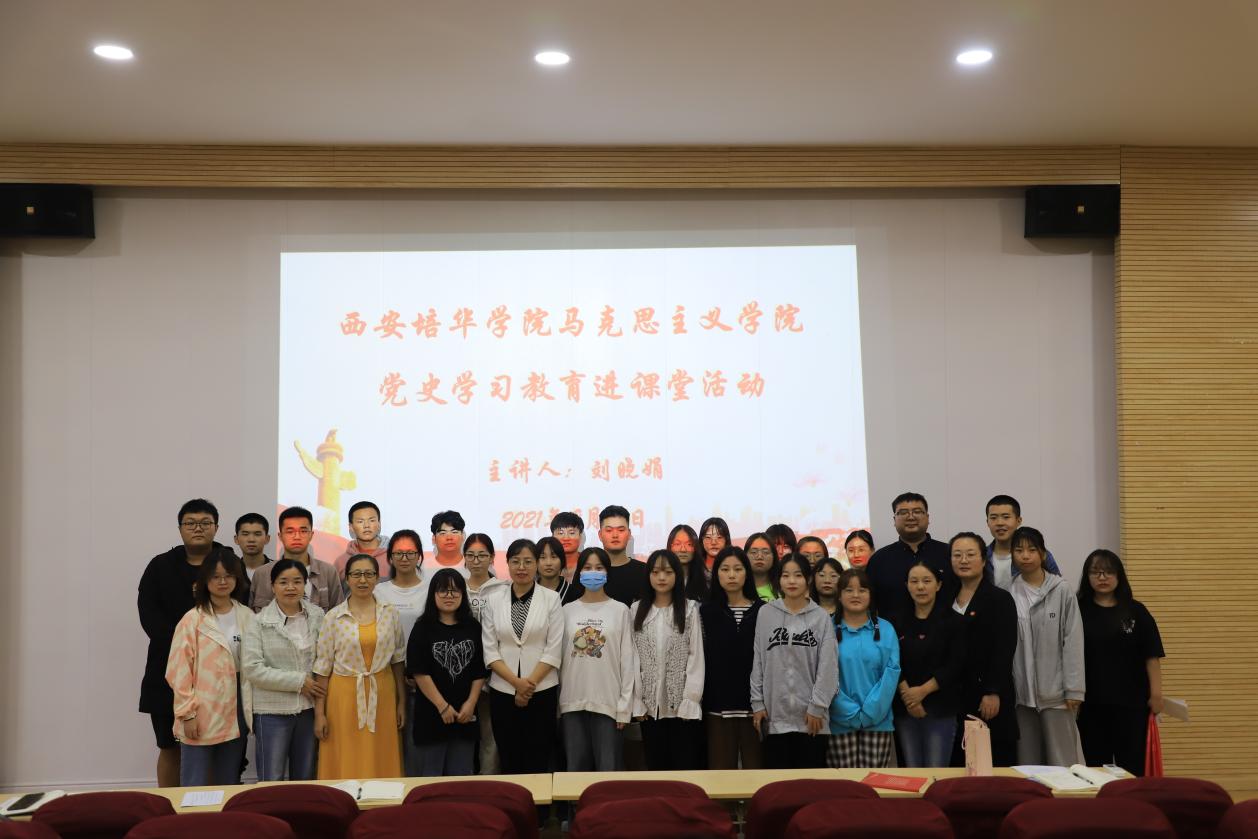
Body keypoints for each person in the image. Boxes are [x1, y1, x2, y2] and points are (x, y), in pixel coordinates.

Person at [138, 498, 230, 787]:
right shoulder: (160, 566)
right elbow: (149, 616)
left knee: (215, 747)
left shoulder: (229, 562)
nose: (198, 528)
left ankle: (210, 808)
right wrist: (186, 647)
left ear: (216, 527)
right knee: (169, 746)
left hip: (218, 674)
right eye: (190, 523)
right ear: (180, 528)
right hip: (167, 669)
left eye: (205, 523)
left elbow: (238, 611)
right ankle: (168, 806)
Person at [312, 554, 407, 780]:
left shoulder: (390, 613)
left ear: (377, 577)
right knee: (346, 755)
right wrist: (319, 713)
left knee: (380, 755)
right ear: (347, 578)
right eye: (356, 574)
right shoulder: (333, 617)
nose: (362, 580)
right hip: (343, 698)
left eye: (369, 574)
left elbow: (397, 661)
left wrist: (402, 703)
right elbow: (323, 669)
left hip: (383, 694)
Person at [165, 550, 255, 786]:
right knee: (195, 779)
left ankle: (226, 812)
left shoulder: (247, 616)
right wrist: (187, 714)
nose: (223, 581)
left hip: (237, 704)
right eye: (216, 576)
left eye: (229, 575)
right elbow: (178, 671)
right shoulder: (192, 619)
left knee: (229, 777)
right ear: (205, 580)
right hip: (201, 705)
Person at [1076, 550, 1165, 776]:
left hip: (1132, 705)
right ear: (1087, 576)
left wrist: (1156, 695)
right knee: (1096, 767)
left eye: (1108, 572)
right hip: (1091, 705)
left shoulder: (1137, 611)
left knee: (1132, 767)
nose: (1102, 577)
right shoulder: (1077, 609)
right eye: (1095, 572)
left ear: (1119, 575)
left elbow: (1152, 656)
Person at [481, 539, 564, 775]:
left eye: (528, 561)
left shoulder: (551, 599)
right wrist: (516, 683)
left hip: (542, 690)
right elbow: (490, 650)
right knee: (509, 757)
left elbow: (553, 648)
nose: (521, 567)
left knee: (538, 757)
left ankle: (538, 801)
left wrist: (528, 685)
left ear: (536, 564)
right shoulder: (494, 600)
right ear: (507, 563)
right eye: (516, 561)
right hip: (503, 690)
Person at [241, 558, 326, 781]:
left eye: (297, 581)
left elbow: (325, 659)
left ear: (305, 584)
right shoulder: (258, 622)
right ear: (272, 586)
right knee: (272, 778)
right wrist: (299, 682)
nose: (290, 587)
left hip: (309, 709)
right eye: (283, 582)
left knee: (305, 777)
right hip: (271, 711)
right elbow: (252, 669)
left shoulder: (318, 616)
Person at [751, 554, 838, 769]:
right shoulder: (766, 613)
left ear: (808, 579)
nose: (792, 581)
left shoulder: (820, 617)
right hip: (774, 719)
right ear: (778, 579)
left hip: (811, 720)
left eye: (798, 575)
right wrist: (757, 702)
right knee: (778, 782)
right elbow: (758, 660)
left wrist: (817, 706)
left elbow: (828, 667)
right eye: (786, 575)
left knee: (809, 782)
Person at [1009, 527, 1084, 765]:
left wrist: (1074, 689)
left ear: (1043, 554)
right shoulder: (1008, 592)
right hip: (1022, 697)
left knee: (1062, 761)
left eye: (1032, 550)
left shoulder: (1061, 590)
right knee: (1028, 763)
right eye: (1019, 550)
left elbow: (1073, 640)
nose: (1025, 555)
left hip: (1056, 695)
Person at [560, 547, 638, 771]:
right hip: (572, 702)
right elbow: (559, 660)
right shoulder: (566, 611)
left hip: (609, 704)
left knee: (608, 773)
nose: (593, 572)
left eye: (599, 567)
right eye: (587, 567)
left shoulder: (620, 610)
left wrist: (624, 706)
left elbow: (628, 661)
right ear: (579, 573)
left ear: (607, 572)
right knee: (575, 772)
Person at [406, 569, 487, 777]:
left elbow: (479, 670)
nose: (449, 596)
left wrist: (471, 703)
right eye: (443, 590)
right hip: (432, 715)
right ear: (433, 594)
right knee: (431, 777)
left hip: (465, 715)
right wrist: (442, 707)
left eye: (455, 591)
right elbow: (419, 672)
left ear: (463, 594)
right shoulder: (422, 627)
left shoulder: (473, 627)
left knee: (461, 777)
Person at [948, 531, 1019, 766]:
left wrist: (993, 691)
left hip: (987, 696)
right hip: (956, 696)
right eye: (957, 555)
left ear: (983, 559)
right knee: (959, 765)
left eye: (970, 554)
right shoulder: (945, 598)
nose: (963, 560)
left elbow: (1004, 649)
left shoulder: (1000, 599)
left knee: (993, 763)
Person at [632, 550, 704, 770]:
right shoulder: (636, 609)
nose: (661, 577)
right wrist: (637, 700)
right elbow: (633, 657)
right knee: (656, 767)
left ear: (677, 575)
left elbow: (695, 656)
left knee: (683, 766)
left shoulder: (690, 609)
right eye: (655, 572)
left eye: (668, 572)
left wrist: (690, 699)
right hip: (649, 708)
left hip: (681, 707)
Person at [892, 560, 962, 767]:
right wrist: (909, 698)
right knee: (912, 771)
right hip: (905, 708)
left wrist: (922, 692)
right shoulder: (895, 622)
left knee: (936, 772)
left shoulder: (954, 622)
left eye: (927, 581)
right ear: (907, 585)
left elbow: (956, 664)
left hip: (941, 707)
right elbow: (891, 661)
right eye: (914, 581)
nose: (920, 587)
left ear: (938, 585)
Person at [828, 567, 900, 768]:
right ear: (839, 595)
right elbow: (823, 675)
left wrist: (870, 712)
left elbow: (891, 673)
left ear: (871, 594)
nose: (856, 595)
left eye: (862, 590)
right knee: (843, 783)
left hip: (878, 720)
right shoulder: (826, 628)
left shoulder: (886, 629)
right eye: (849, 590)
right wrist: (847, 711)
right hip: (838, 720)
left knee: (873, 782)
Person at [700, 547, 765, 769]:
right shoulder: (706, 612)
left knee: (756, 774)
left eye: (738, 569)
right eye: (725, 569)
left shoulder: (763, 611)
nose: (731, 575)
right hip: (717, 707)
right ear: (716, 574)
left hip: (756, 708)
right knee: (720, 775)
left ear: (747, 573)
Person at [373, 529, 429, 776]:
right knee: (388, 740)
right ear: (390, 557)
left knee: (416, 743)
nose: (404, 558)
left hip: (422, 677)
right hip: (385, 675)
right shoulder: (379, 591)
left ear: (419, 556)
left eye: (410, 553)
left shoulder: (430, 589)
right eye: (398, 553)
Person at [866, 493, 953, 628]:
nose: (911, 517)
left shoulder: (949, 554)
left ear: (928, 517)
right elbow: (870, 605)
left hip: (946, 633)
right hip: (893, 636)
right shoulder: (879, 560)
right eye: (903, 512)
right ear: (894, 519)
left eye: (917, 512)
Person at [462, 532, 507, 774]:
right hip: (461, 671)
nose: (476, 561)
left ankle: (489, 780)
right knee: (463, 729)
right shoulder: (455, 587)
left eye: (482, 555)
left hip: (495, 671)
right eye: (470, 555)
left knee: (490, 732)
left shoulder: (504, 589)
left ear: (492, 557)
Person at [253, 506, 345, 612]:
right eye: (290, 531)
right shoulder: (262, 573)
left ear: (311, 535)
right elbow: (252, 617)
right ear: (280, 536)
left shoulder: (328, 572)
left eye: (303, 531)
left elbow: (338, 614)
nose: (297, 537)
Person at [984, 495, 1060, 589]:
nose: (1000, 523)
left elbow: (1057, 588)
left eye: (1006, 517)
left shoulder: (1038, 555)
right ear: (987, 522)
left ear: (1019, 521)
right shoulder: (981, 556)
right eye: (993, 518)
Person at [598, 505, 647, 607]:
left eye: (621, 530)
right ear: (600, 535)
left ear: (629, 534)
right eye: (609, 530)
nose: (615, 535)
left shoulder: (645, 571)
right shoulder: (588, 572)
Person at [333, 501, 389, 578]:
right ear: (351, 527)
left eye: (372, 520)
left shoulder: (395, 558)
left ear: (379, 524)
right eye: (360, 521)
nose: (366, 525)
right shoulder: (341, 562)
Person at [234, 513, 272, 605]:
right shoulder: (230, 570)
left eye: (257, 534)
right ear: (236, 539)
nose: (251, 539)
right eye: (245, 534)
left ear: (267, 539)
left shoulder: (277, 569)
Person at [667, 523, 709, 600]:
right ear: (670, 546)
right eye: (677, 544)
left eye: (689, 544)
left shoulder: (707, 580)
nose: (683, 550)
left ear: (696, 548)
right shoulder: (662, 579)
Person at [810, 557, 843, 629]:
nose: (827, 580)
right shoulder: (805, 611)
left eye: (833, 576)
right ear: (813, 578)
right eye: (822, 575)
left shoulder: (848, 611)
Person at [550, 511, 585, 579]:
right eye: (560, 533)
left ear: (580, 537)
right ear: (553, 537)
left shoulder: (589, 562)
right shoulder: (545, 564)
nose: (566, 538)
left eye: (571, 533)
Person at [536, 536, 572, 602]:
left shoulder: (574, 593)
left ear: (562, 560)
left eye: (554, 557)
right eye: (542, 557)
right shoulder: (528, 592)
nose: (548, 563)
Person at [744, 532, 778, 601]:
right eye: (754, 552)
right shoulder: (738, 590)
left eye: (765, 552)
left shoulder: (784, 589)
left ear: (774, 557)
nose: (759, 556)